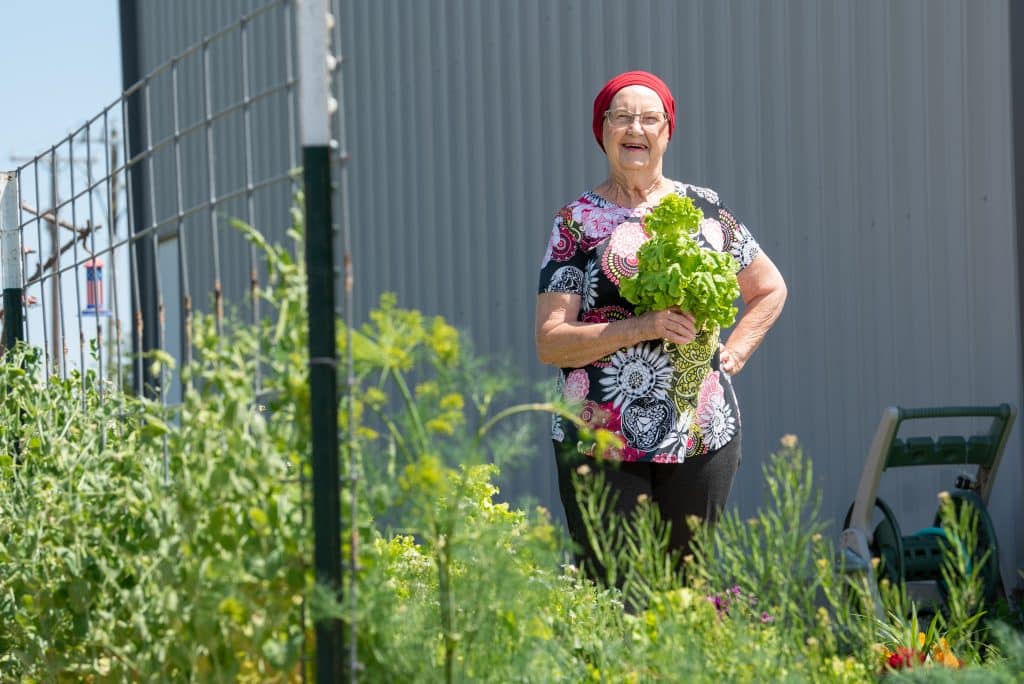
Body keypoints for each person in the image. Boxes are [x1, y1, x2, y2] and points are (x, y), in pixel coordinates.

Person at [535, 70, 787, 582]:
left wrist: (733, 355)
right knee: (617, 593)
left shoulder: (704, 209)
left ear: (667, 132)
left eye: (651, 118)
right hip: (599, 436)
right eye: (622, 117)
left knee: (687, 594)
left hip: (700, 433)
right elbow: (550, 341)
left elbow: (769, 288)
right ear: (602, 131)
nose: (637, 128)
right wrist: (645, 326)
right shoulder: (577, 222)